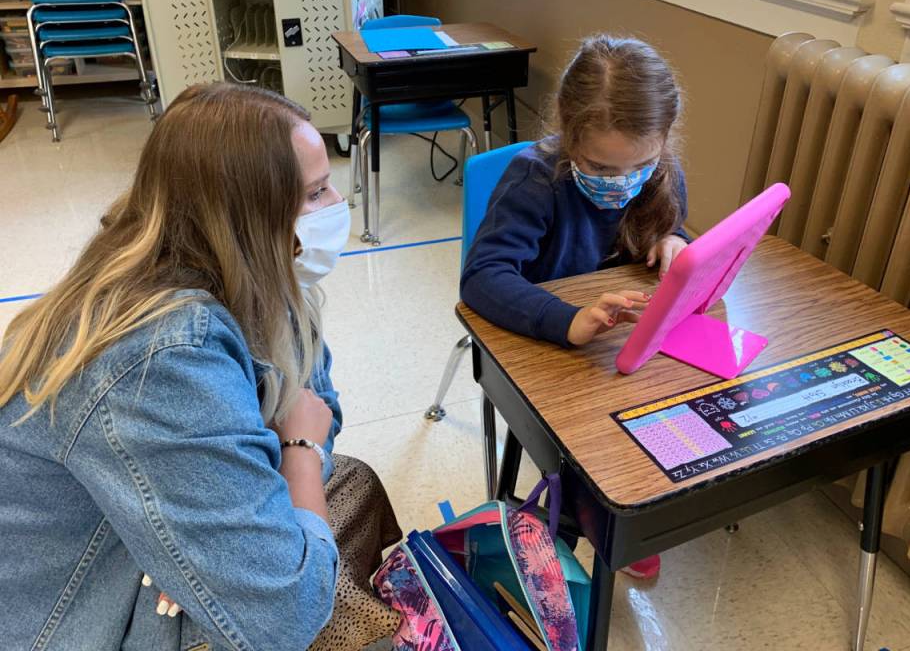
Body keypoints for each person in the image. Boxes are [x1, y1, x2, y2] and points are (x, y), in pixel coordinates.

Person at [0, 83, 401, 651]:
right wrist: (300, 454)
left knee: (354, 483)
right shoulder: (160, 354)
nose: (337, 204)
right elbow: (282, 617)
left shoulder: (256, 273)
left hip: (130, 540)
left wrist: (292, 456)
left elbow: (320, 405)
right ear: (249, 216)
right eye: (314, 193)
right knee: (324, 605)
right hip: (79, 611)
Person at [460, 35, 689, 578]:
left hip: (618, 340)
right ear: (566, 130)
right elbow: (482, 278)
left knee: (668, 399)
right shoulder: (535, 179)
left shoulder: (661, 173)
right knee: (584, 437)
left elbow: (666, 223)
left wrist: (673, 238)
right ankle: (577, 519)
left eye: (640, 165)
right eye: (601, 167)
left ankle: (631, 496)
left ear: (660, 144)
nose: (621, 183)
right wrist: (566, 320)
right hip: (550, 347)